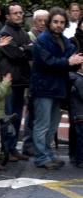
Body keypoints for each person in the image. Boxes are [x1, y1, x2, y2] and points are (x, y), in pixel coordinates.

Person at [30, 7, 83, 170]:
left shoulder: (64, 40)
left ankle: (47, 155)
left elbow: (71, 55)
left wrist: (72, 60)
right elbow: (48, 62)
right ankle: (41, 157)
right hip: (44, 87)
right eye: (56, 22)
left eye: (61, 22)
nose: (59, 25)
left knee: (52, 125)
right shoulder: (42, 40)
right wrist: (68, 62)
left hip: (57, 87)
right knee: (43, 124)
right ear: (49, 23)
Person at [0, 2, 33, 162]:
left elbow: (32, 52)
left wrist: (23, 48)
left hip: (21, 80)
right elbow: (14, 55)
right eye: (15, 13)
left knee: (17, 116)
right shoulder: (5, 32)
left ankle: (12, 149)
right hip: (9, 80)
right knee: (8, 117)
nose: (19, 15)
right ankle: (4, 150)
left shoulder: (23, 32)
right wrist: (25, 48)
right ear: (7, 16)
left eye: (20, 13)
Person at [22, 9, 49, 157]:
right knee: (31, 114)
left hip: (42, 82)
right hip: (31, 81)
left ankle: (37, 145)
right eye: (40, 20)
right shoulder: (29, 37)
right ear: (34, 22)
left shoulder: (48, 37)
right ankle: (28, 145)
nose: (43, 24)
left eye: (46, 20)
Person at [69, 63, 83, 168]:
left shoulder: (75, 79)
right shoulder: (79, 80)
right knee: (81, 138)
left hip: (78, 113)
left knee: (80, 137)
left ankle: (78, 159)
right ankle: (80, 160)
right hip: (80, 113)